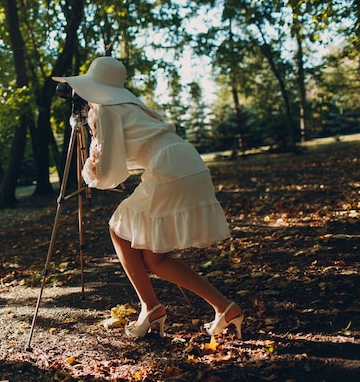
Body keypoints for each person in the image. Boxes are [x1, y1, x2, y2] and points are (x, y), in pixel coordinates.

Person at [53, 57, 243, 339]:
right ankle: (224, 308)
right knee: (155, 258)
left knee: (118, 228)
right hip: (186, 160)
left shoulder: (105, 112)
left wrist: (89, 167)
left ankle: (151, 307)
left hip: (168, 166)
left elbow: (108, 177)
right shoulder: (130, 107)